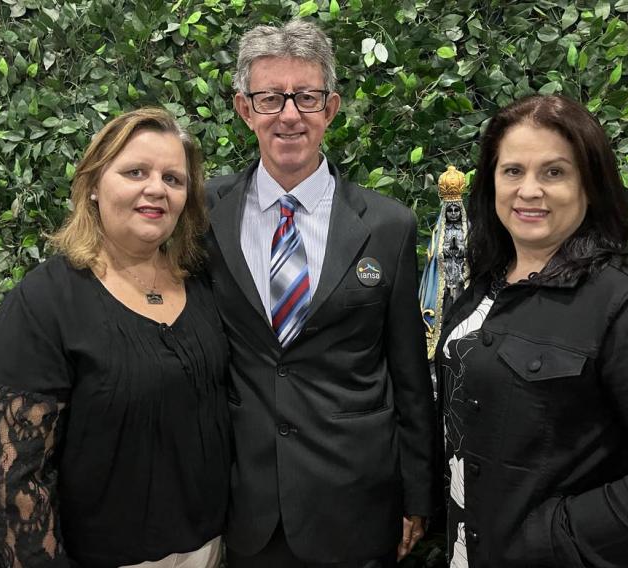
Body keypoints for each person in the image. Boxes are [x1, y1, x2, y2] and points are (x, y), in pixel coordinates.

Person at [436, 94, 628, 567]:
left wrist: (550, 537)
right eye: (512, 171)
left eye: (553, 172)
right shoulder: (484, 287)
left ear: (589, 186)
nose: (528, 190)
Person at [204, 19, 435, 568]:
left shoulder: (388, 224)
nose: (289, 115)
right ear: (244, 109)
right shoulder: (202, 212)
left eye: (305, 97)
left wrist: (418, 494)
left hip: (356, 501)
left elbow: (407, 370)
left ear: (330, 109)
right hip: (244, 504)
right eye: (270, 98)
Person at [0, 108, 231, 568]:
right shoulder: (45, 304)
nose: (156, 189)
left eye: (173, 178)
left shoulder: (203, 286)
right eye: (135, 172)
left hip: (210, 549)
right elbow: (12, 481)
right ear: (92, 187)